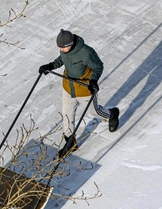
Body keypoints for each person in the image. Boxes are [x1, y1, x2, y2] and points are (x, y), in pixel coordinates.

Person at [39, 29, 120, 157]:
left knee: (94, 112)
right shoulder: (65, 50)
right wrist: (50, 66)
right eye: (59, 47)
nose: (61, 50)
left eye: (63, 47)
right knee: (67, 115)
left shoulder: (86, 52)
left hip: (84, 89)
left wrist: (93, 80)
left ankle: (112, 114)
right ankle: (70, 142)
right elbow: (62, 59)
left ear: (70, 44)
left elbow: (99, 67)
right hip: (68, 87)